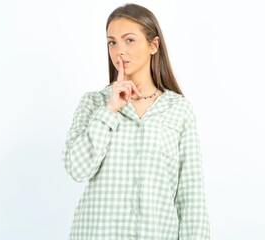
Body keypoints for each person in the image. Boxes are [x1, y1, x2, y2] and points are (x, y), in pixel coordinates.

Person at [62, 3, 210, 239]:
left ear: (154, 45)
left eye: (129, 40)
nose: (119, 50)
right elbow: (77, 169)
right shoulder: (93, 103)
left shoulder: (178, 110)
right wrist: (110, 109)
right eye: (112, 42)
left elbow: (191, 197)